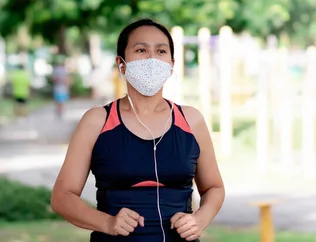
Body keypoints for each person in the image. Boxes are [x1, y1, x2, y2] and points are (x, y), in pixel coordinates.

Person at [50, 18, 225, 242]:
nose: (152, 58)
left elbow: (214, 187)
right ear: (121, 63)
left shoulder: (191, 120)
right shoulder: (97, 121)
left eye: (161, 51)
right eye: (141, 49)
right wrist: (108, 223)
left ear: (171, 64)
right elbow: (62, 197)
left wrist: (200, 219)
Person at [51, 55, 70, 119]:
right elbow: (67, 79)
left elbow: (53, 79)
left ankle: (60, 112)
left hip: (59, 87)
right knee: (61, 101)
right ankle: (60, 112)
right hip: (60, 87)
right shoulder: (63, 70)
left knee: (59, 101)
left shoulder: (57, 69)